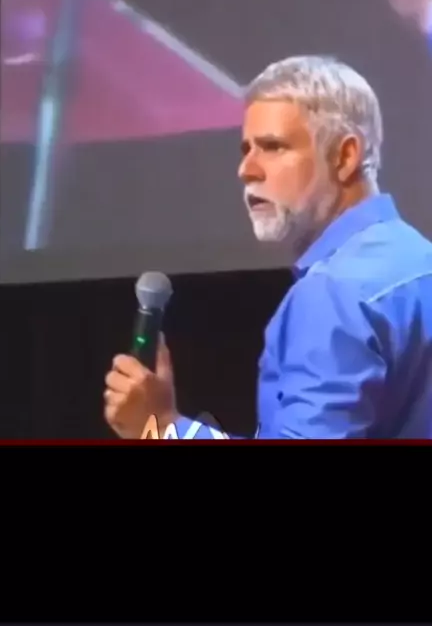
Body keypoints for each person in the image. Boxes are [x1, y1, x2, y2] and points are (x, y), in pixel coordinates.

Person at [103, 54, 432, 439]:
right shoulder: (419, 261)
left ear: (345, 156)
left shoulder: (333, 293)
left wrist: (163, 428)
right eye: (246, 149)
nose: (247, 169)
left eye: (273, 147)